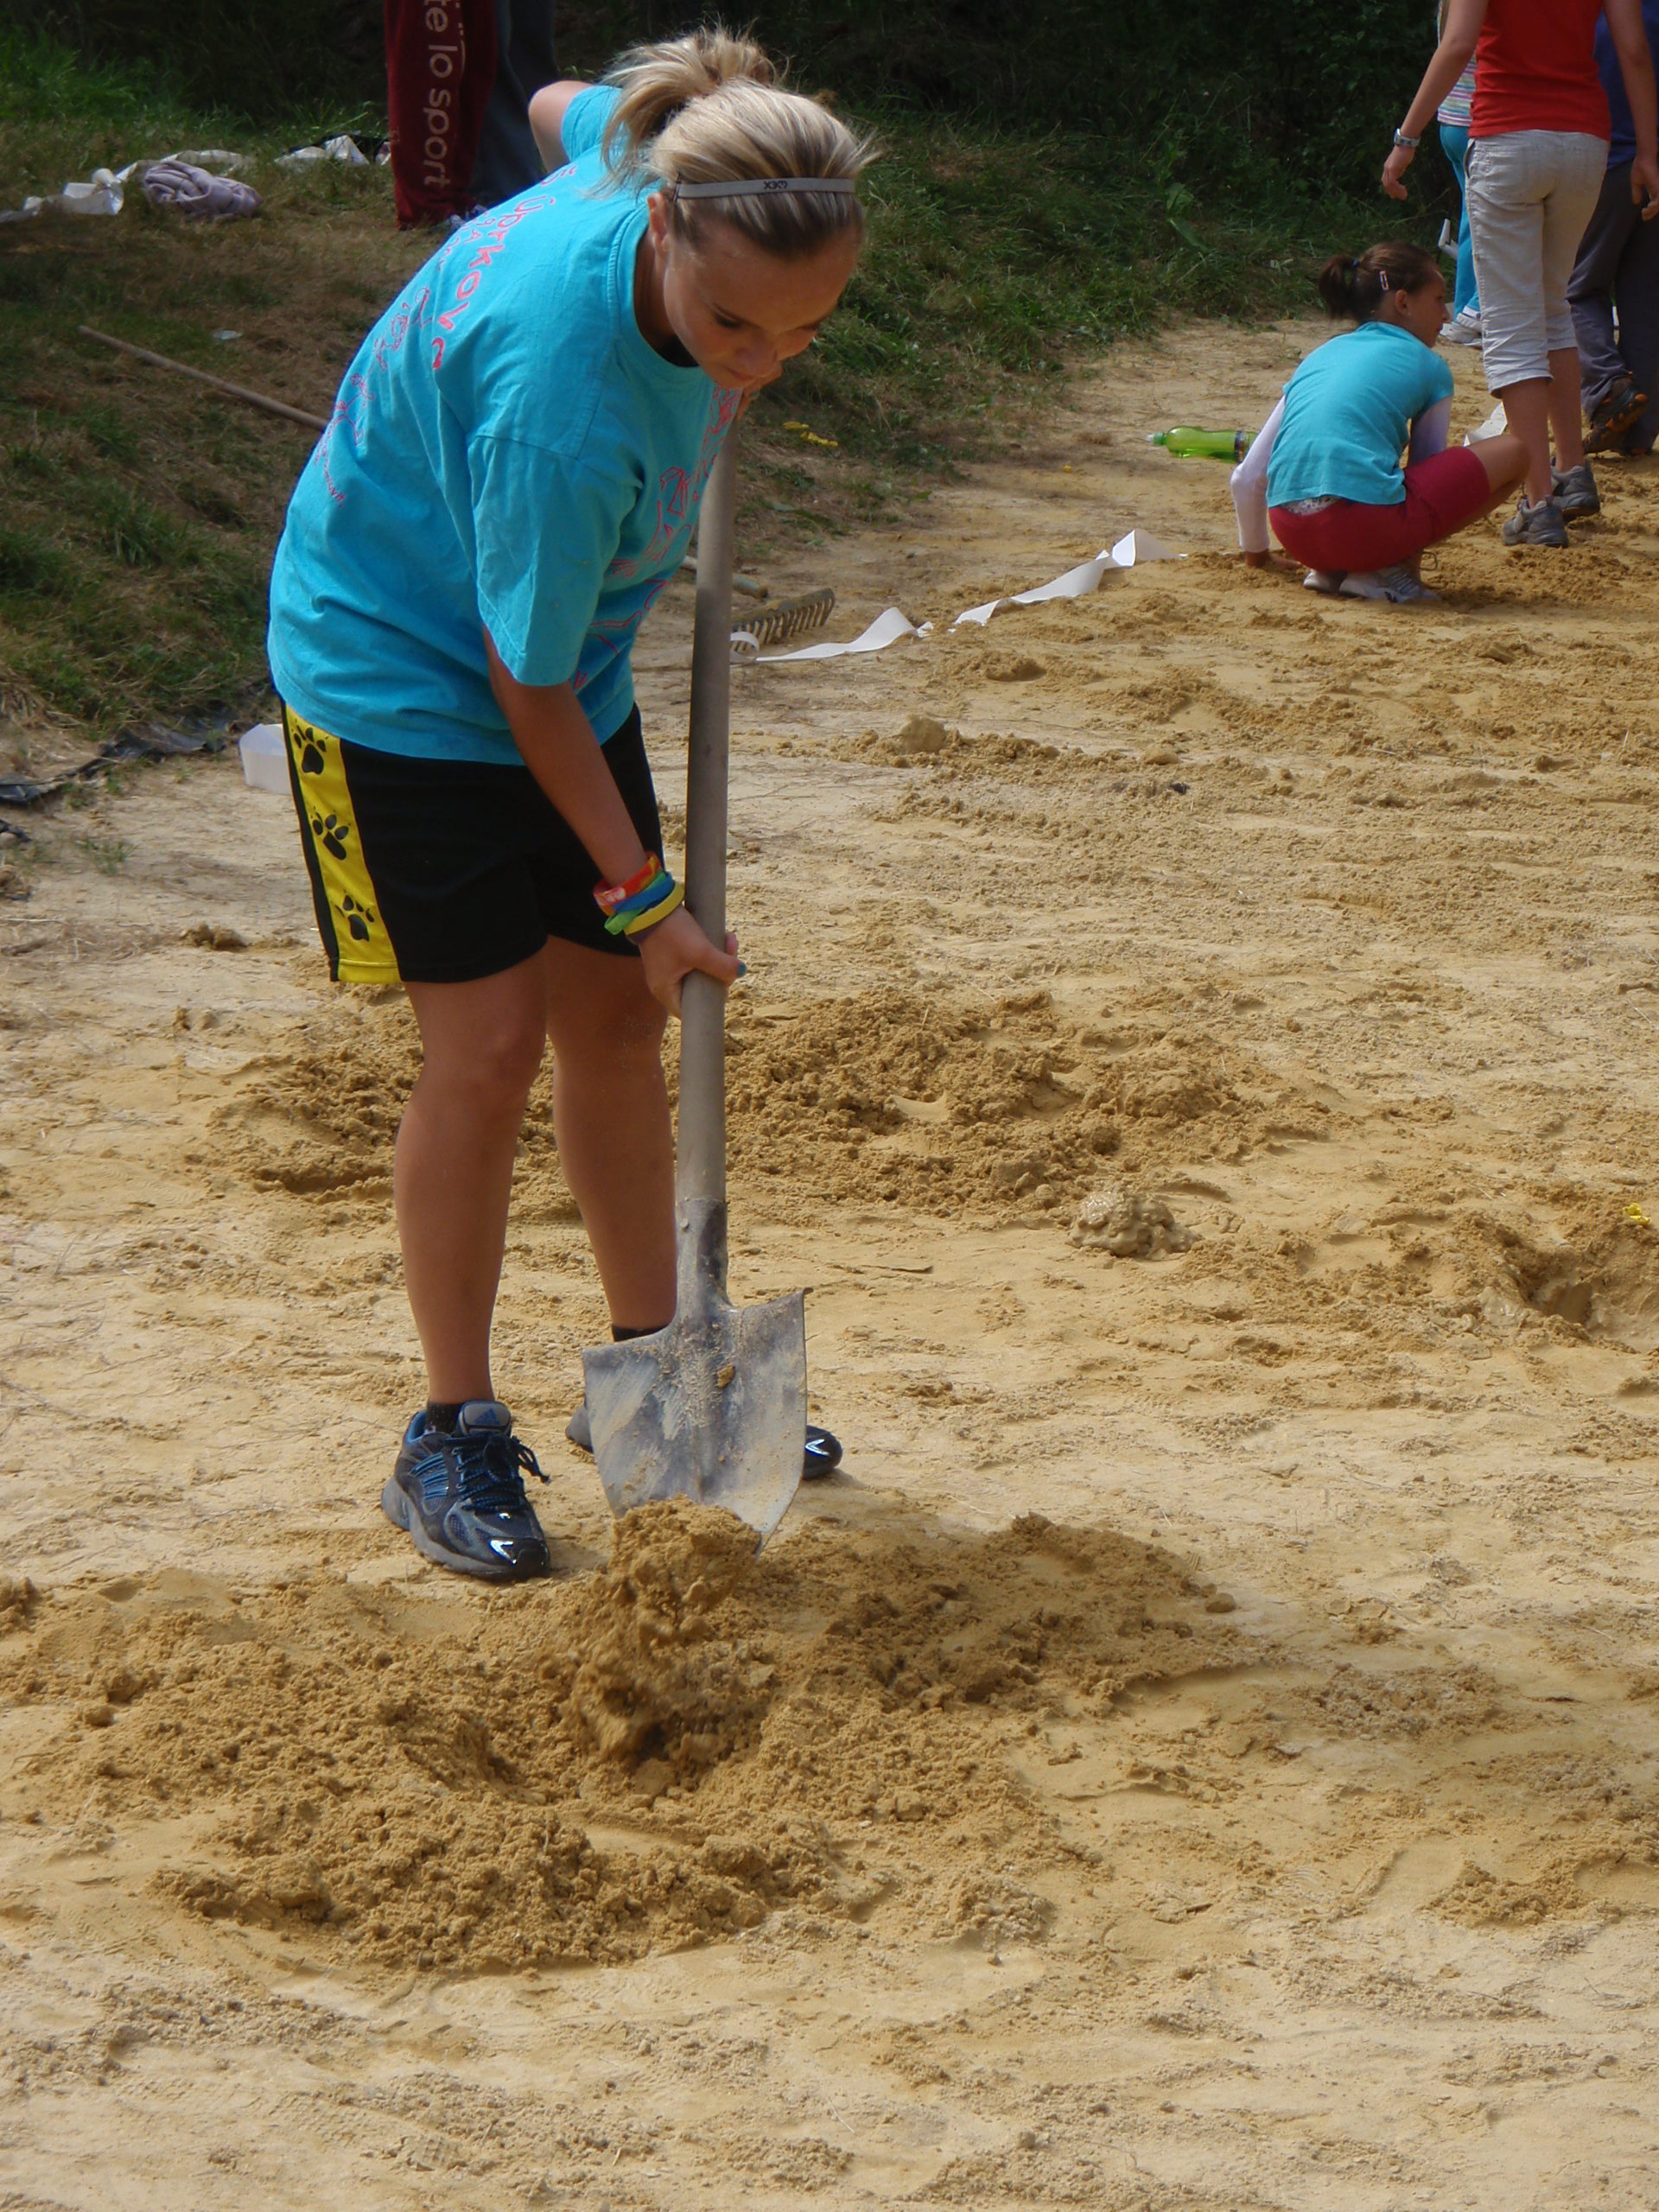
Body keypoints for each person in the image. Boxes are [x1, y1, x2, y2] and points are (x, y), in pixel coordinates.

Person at [266, 27, 870, 1581]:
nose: (761, 364)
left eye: (802, 332)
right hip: (399, 677)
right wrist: (648, 900)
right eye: (733, 326)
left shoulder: (661, 143)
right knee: (486, 1048)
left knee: (612, 1020)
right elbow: (517, 687)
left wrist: (635, 928)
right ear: (664, 228)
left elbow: (553, 107)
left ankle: (654, 1374)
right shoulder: (563, 409)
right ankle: (449, 1430)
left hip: (561, 668)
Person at [1382, 0, 1659, 549]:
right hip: (1584, 143)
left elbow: (1457, 43)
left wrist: (1406, 139)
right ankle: (1571, 470)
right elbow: (1633, 50)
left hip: (1508, 137)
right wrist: (1649, 151)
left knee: (1511, 326)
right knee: (1555, 307)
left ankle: (1538, 503)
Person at [1230, 243, 1527, 603]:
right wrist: (1404, 562)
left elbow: (1247, 478)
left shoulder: (1320, 356)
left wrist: (1258, 555)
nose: (1446, 315)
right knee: (1517, 452)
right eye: (1438, 300)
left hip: (1295, 535)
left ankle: (1333, 571)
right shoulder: (1430, 366)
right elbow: (1428, 473)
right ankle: (1387, 571)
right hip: (1363, 532)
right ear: (1403, 302)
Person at [1570, 0, 1659, 454]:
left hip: (1605, 159)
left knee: (1575, 288)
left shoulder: (1595, 14)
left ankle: (1608, 387)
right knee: (1645, 298)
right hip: (1654, 166)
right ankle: (1640, 431)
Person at [1434, 0, 1483, 344]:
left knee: (1471, 220)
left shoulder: (1447, 5)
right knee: (1486, 224)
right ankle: (1476, 310)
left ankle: (1466, 306)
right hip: (1474, 123)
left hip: (1450, 121)